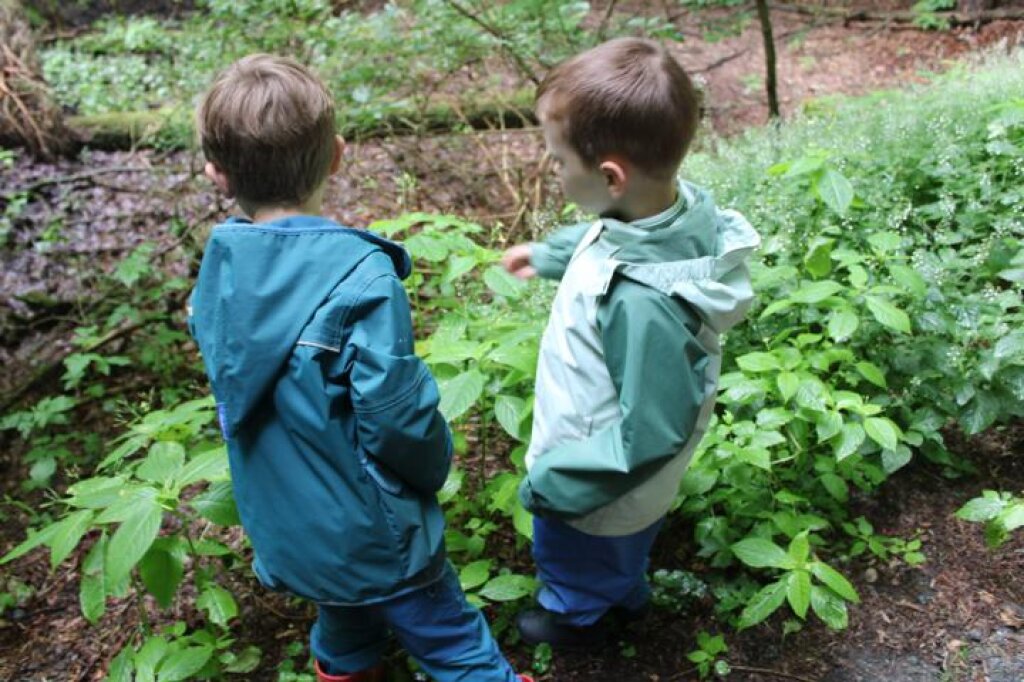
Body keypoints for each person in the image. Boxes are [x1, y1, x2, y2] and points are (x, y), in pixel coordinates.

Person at [188, 54, 530, 682]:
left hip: (290, 526)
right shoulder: (361, 279)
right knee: (452, 639)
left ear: (216, 172)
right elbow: (396, 415)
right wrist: (432, 469)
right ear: (338, 155)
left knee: (343, 615)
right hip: (375, 531)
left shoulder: (220, 278)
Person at [501, 37, 760, 647]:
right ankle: (626, 589)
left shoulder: (641, 305)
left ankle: (577, 620)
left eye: (559, 161)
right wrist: (549, 254)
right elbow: (607, 238)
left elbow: (650, 432)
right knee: (621, 549)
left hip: (596, 480)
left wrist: (554, 484)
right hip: (621, 487)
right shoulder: (669, 210)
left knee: (576, 554)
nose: (554, 171)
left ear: (611, 175)